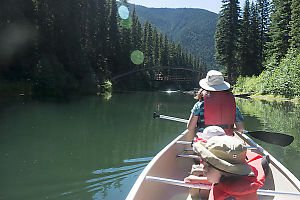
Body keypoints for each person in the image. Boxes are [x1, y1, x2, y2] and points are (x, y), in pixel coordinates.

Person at [189, 135, 266, 200]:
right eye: (204, 163)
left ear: (226, 171)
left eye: (209, 165)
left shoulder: (229, 197)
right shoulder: (228, 180)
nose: (204, 169)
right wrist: (197, 180)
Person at [187, 70, 245, 136]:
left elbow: (190, 128)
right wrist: (230, 129)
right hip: (226, 140)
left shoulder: (200, 105)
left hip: (207, 141)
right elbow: (241, 128)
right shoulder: (233, 106)